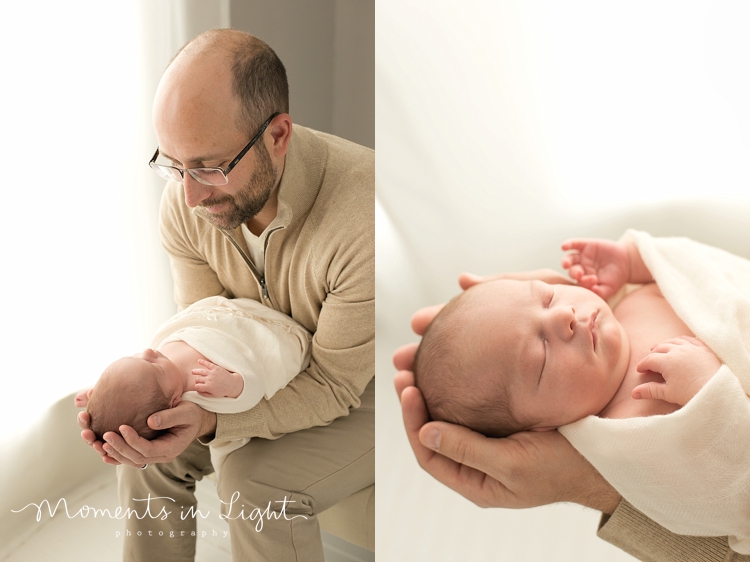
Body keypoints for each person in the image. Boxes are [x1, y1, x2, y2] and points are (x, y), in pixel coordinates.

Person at [77, 29, 374, 562]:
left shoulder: (364, 220)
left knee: (252, 482)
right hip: (259, 363)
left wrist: (215, 419)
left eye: (209, 166)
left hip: (368, 380)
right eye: (174, 165)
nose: (189, 195)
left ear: (278, 135)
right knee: (142, 451)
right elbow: (204, 327)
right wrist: (134, 400)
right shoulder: (187, 202)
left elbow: (334, 384)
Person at [395, 232, 750, 560]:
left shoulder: (626, 300)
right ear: (540, 428)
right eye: (542, 356)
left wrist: (636, 261)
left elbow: (700, 271)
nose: (563, 315)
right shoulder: (626, 437)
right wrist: (710, 390)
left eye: (547, 296)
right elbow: (730, 499)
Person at [79, 296, 311, 477]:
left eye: (137, 356)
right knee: (137, 475)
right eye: (154, 366)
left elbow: (133, 383)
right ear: (174, 403)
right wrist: (232, 384)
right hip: (266, 335)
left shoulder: (156, 376)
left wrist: (108, 390)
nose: (149, 351)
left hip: (233, 314)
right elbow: (253, 393)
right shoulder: (199, 391)